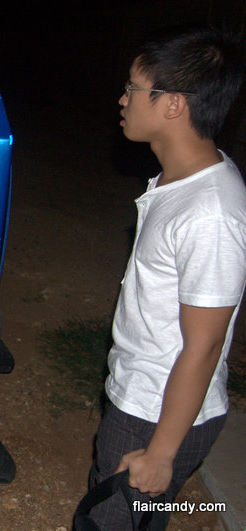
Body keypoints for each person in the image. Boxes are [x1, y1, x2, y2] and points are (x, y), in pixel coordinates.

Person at [81, 27, 246, 529]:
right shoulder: (180, 180)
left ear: (173, 104)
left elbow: (205, 343)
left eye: (133, 87)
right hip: (144, 394)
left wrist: (161, 452)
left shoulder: (210, 213)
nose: (123, 98)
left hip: (155, 411)